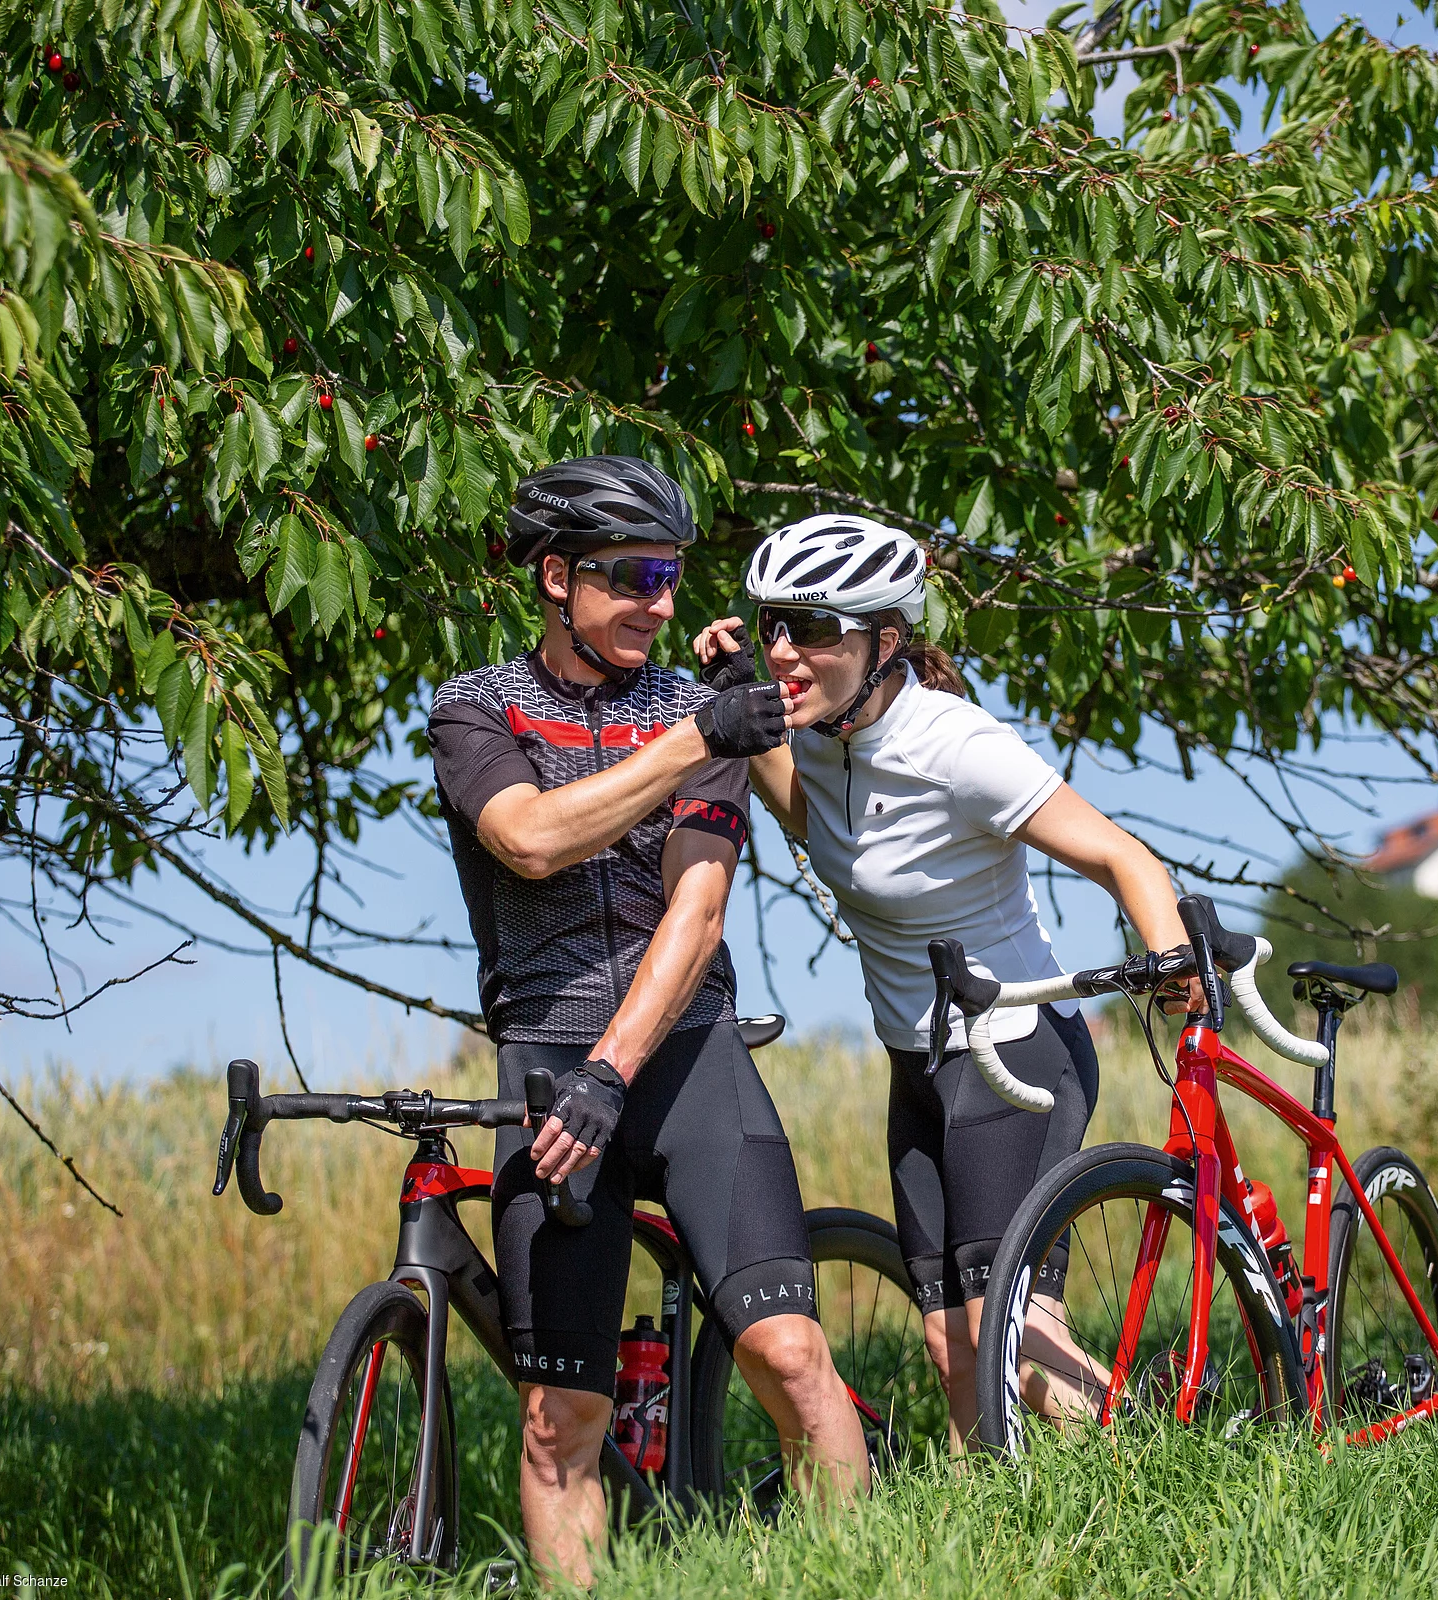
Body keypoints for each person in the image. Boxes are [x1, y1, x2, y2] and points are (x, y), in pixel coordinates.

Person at [427, 458, 866, 1585]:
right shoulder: (476, 707)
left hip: (679, 1057)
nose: (662, 604)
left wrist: (615, 1068)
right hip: (542, 1051)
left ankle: (858, 1572)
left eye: (671, 576)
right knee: (559, 1417)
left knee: (788, 1350)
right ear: (557, 579)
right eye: (633, 577)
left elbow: (699, 904)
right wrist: (700, 738)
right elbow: (526, 837)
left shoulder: (688, 706)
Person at [693, 513, 1201, 1447]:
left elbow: (1125, 858)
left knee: (1008, 1337)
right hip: (918, 1062)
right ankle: (989, 1538)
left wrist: (1171, 964)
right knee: (949, 1344)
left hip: (1015, 1055)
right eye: (770, 625)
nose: (782, 652)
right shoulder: (816, 733)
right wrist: (730, 694)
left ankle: (1176, 1465)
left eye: (811, 630)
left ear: (885, 640)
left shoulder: (957, 745)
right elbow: (817, 822)